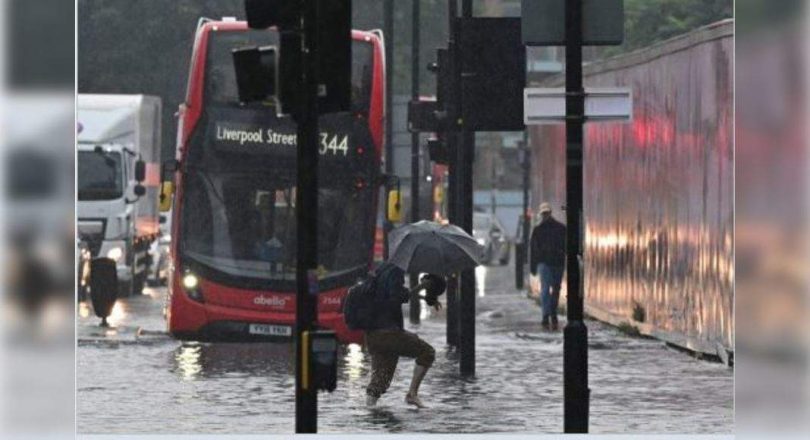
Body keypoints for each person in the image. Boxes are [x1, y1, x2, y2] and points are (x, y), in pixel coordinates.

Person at [364, 262, 446, 408]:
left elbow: (386, 297)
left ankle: (369, 413)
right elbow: (397, 297)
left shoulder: (381, 269)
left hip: (372, 334)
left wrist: (427, 298)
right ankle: (412, 394)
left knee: (379, 382)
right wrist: (423, 286)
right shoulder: (395, 272)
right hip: (388, 332)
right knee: (427, 352)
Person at [529, 202, 566, 331]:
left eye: (545, 213)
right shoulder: (561, 228)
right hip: (555, 263)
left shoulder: (538, 230)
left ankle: (548, 315)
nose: (545, 215)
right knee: (553, 289)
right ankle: (551, 314)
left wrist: (533, 266)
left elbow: (533, 250)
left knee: (548, 289)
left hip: (547, 262)